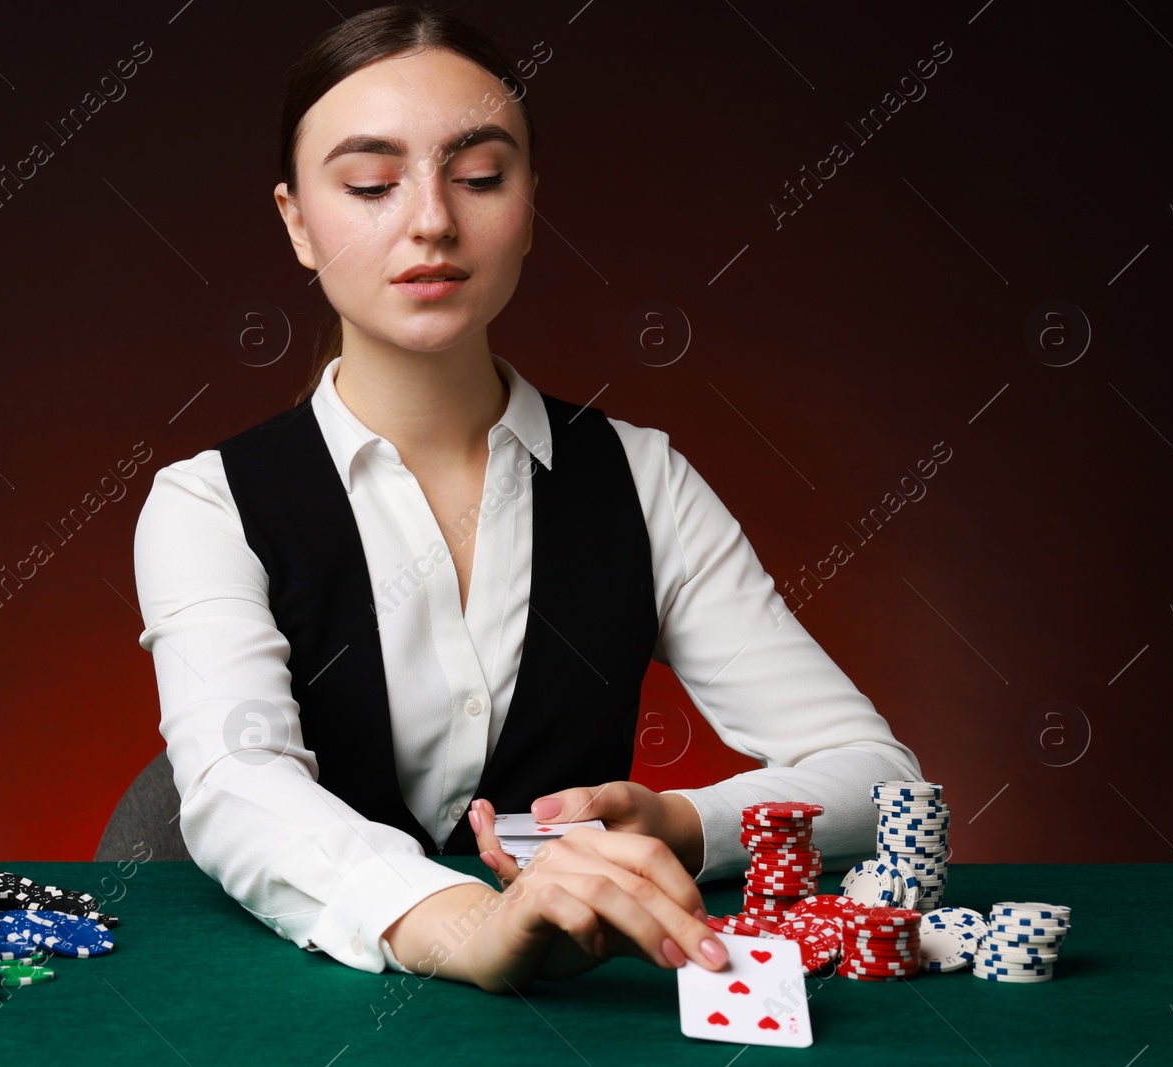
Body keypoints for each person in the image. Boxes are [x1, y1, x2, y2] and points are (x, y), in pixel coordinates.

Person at [132, 3, 922, 994]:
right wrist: (468, 921)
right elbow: (235, 787)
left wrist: (679, 823)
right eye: (372, 183)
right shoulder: (205, 504)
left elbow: (879, 777)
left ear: (530, 208)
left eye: (476, 177)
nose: (429, 220)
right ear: (296, 221)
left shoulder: (642, 478)